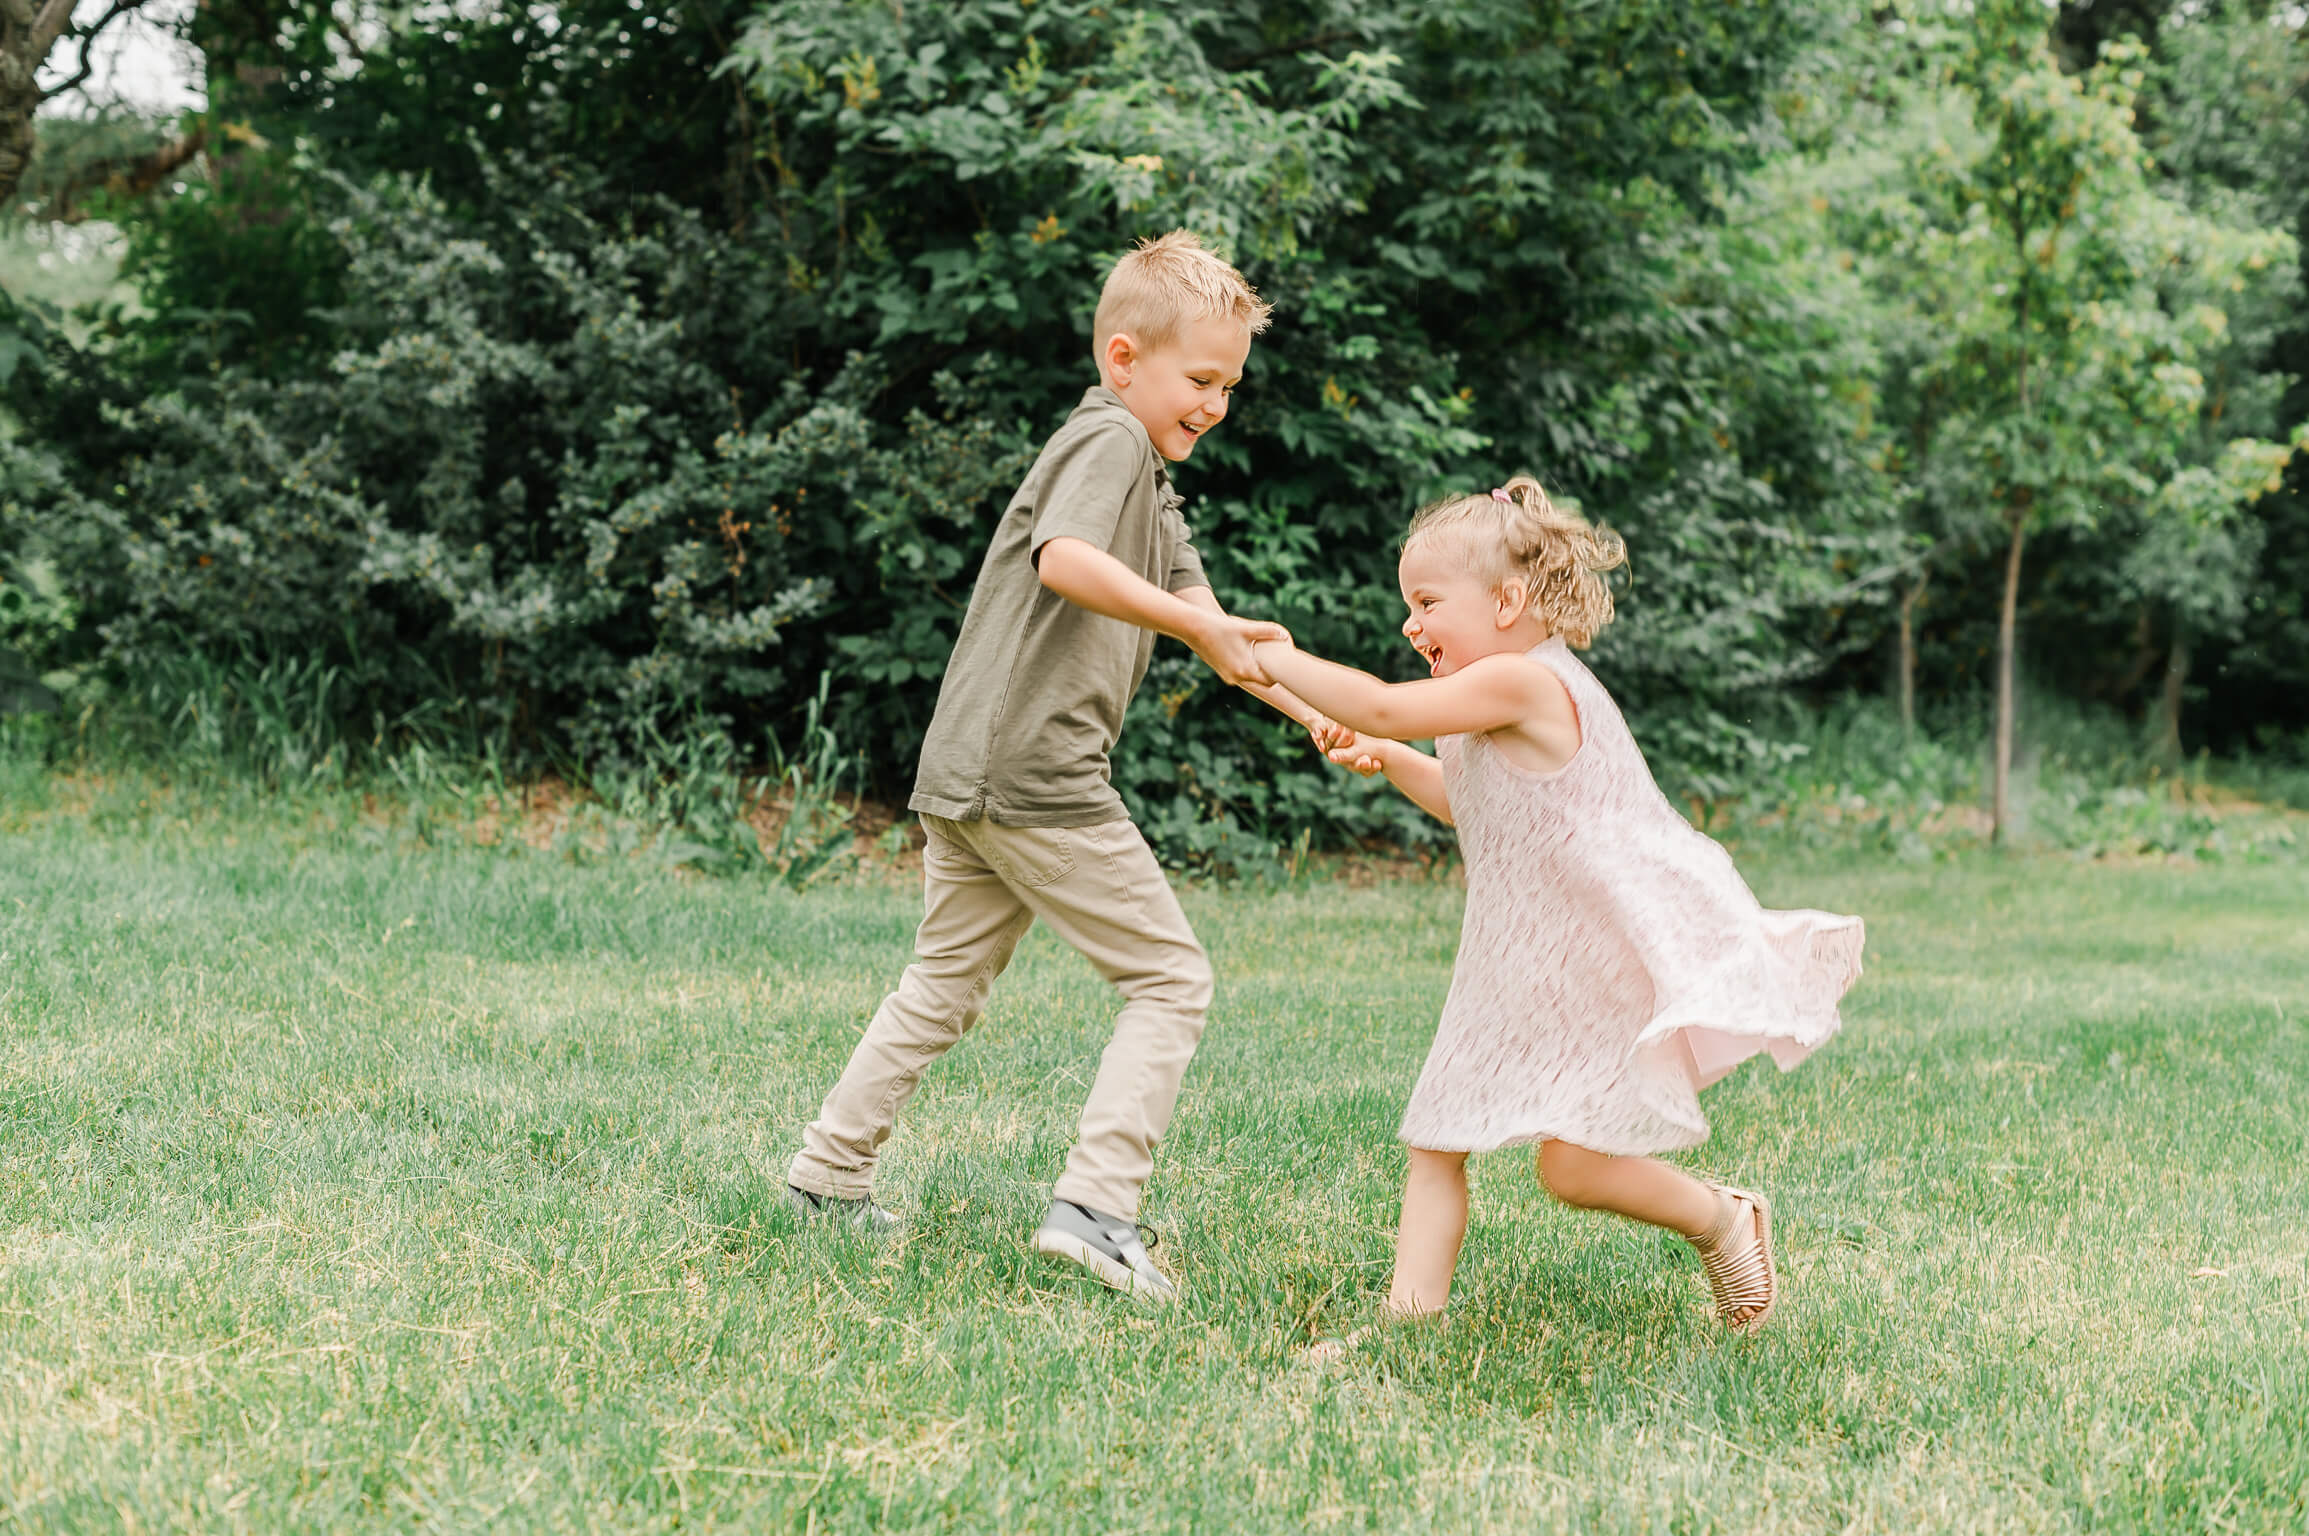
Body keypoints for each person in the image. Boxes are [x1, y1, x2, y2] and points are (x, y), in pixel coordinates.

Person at [784, 232, 1339, 1301]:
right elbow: (1067, 562)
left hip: (975, 770)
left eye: (1230, 384)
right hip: (1033, 773)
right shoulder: (1108, 446)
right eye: (1201, 379)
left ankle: (825, 1177)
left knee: (942, 983)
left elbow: (1217, 630)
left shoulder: (1152, 484)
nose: (1217, 404)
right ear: (1123, 360)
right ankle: (1095, 1209)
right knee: (1169, 979)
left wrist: (1314, 715)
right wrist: (1187, 621)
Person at [1251, 476, 1864, 1343]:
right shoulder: (1484, 695)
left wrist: (1273, 655)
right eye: (1407, 605)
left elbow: (1382, 701)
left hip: (1594, 958)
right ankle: (1404, 1326)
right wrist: (1392, 760)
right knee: (1441, 1138)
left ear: (1508, 600)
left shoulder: (1526, 683)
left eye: (1426, 602)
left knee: (1572, 1168)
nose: (1409, 624)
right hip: (1521, 959)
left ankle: (1725, 1219)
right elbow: (1479, 808)